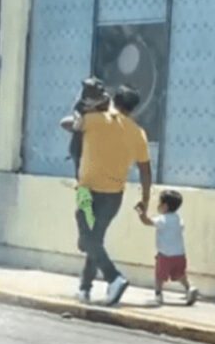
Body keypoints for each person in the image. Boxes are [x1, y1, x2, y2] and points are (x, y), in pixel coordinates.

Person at [61, 84, 152, 306]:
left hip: (86, 191)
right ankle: (85, 289)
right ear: (134, 108)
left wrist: (86, 109)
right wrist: (145, 201)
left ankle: (114, 278)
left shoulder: (96, 120)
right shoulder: (138, 133)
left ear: (114, 101)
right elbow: (145, 171)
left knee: (87, 240)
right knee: (95, 240)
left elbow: (65, 123)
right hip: (114, 197)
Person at [135, 190, 199, 306]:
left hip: (164, 255)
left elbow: (146, 221)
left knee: (159, 276)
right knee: (180, 274)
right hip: (180, 255)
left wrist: (140, 211)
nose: (158, 205)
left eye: (159, 202)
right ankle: (189, 288)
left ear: (164, 206)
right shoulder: (179, 219)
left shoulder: (162, 219)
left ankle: (158, 294)